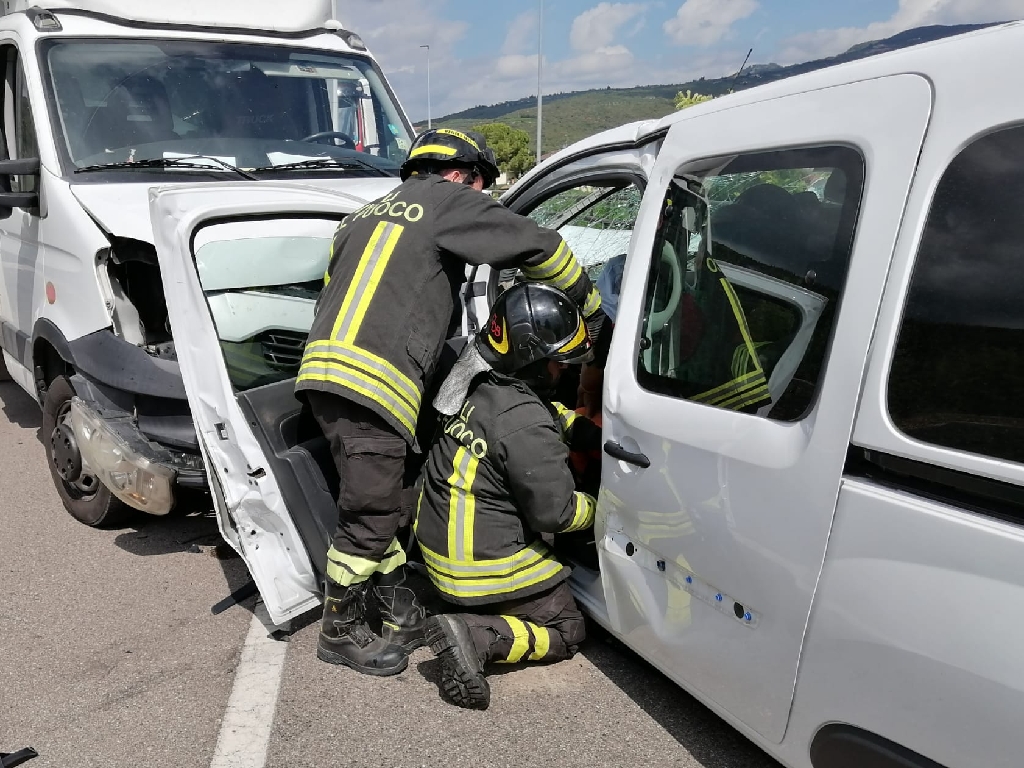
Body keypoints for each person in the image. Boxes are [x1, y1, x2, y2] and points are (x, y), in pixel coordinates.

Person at [294, 128, 606, 677]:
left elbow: (339, 293)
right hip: (373, 382)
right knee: (369, 517)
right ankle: (338, 631)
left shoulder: (359, 217)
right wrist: (595, 311)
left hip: (324, 375)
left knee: (387, 503)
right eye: (481, 187)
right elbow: (542, 247)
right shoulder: (446, 200)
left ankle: (399, 610)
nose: (479, 198)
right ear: (462, 175)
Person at [416, 282, 600, 710]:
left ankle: (474, 613)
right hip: (483, 568)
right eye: (557, 362)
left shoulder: (476, 382)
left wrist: (580, 430)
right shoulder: (523, 421)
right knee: (567, 630)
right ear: (533, 361)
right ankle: (475, 636)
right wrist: (602, 507)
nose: (563, 371)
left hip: (440, 553)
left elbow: (535, 417)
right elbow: (556, 514)